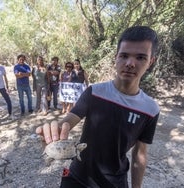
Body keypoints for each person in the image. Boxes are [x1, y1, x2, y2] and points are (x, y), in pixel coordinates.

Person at [36, 26, 160, 188]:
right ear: (116, 57)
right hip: (77, 176)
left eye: (140, 57)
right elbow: (67, 122)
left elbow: (140, 154)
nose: (130, 63)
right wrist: (51, 134)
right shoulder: (94, 92)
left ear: (151, 61)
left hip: (114, 182)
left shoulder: (150, 109)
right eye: (124, 55)